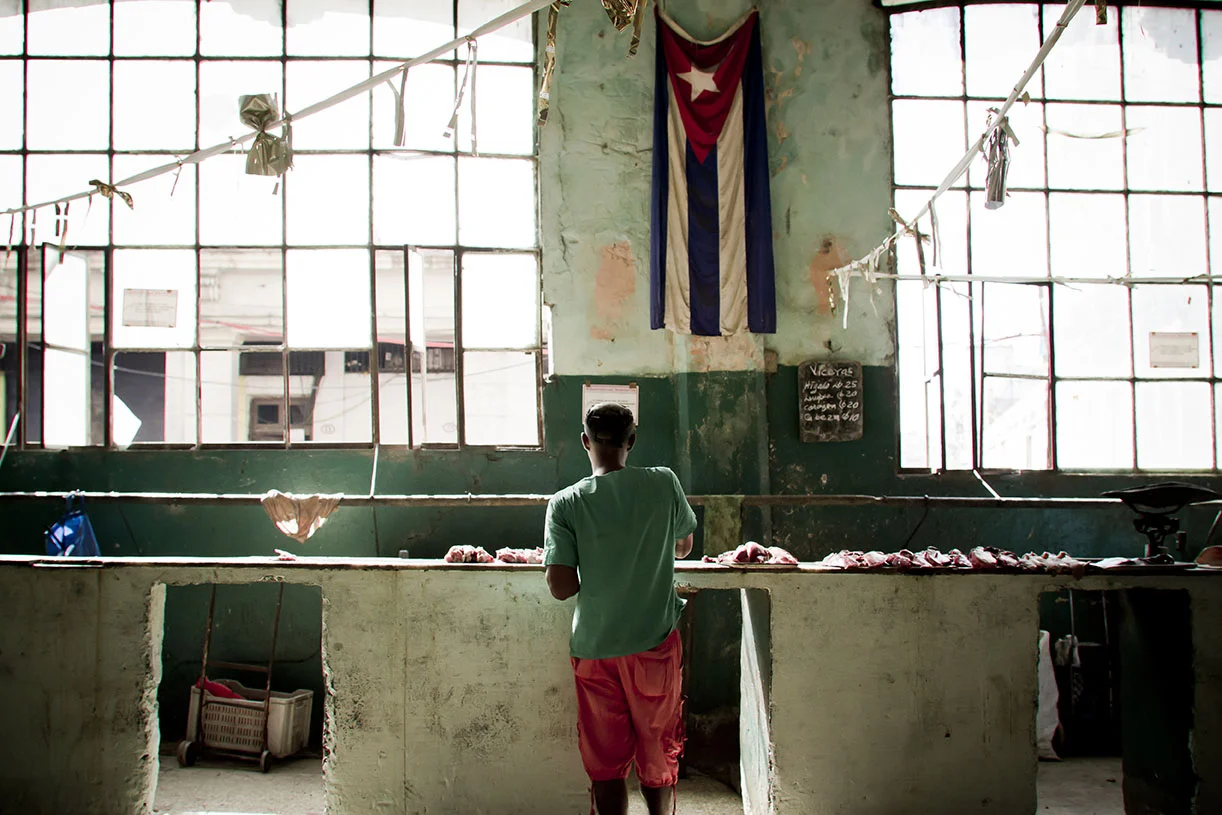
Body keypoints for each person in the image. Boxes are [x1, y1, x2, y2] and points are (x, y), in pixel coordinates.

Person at [543, 402, 698, 815]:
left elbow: (561, 587)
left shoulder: (564, 503)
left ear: (584, 442)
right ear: (632, 441)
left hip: (595, 649)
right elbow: (684, 545)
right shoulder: (664, 483)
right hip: (654, 645)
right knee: (658, 750)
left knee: (606, 763)